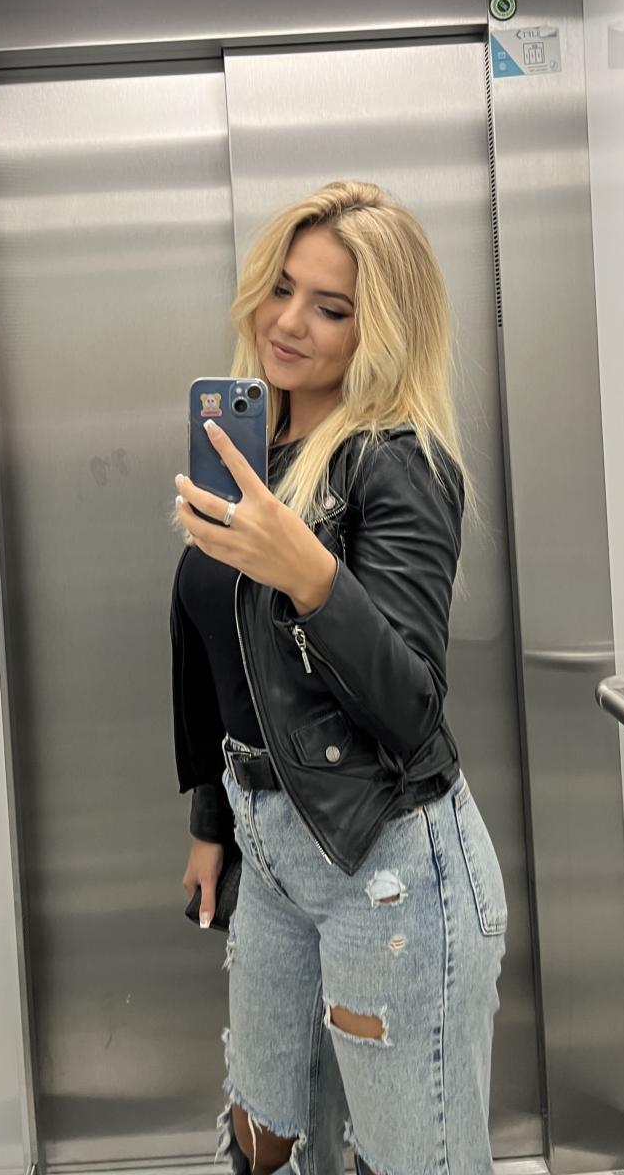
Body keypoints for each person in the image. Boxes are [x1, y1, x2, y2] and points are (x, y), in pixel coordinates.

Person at [169, 181, 507, 1175]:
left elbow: (411, 704)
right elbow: (213, 649)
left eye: (331, 307)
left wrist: (312, 576)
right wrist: (211, 820)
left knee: (409, 1159)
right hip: (270, 851)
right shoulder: (252, 456)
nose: (288, 322)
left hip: (389, 864)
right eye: (282, 288)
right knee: (266, 1136)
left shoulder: (397, 463)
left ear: (381, 331)